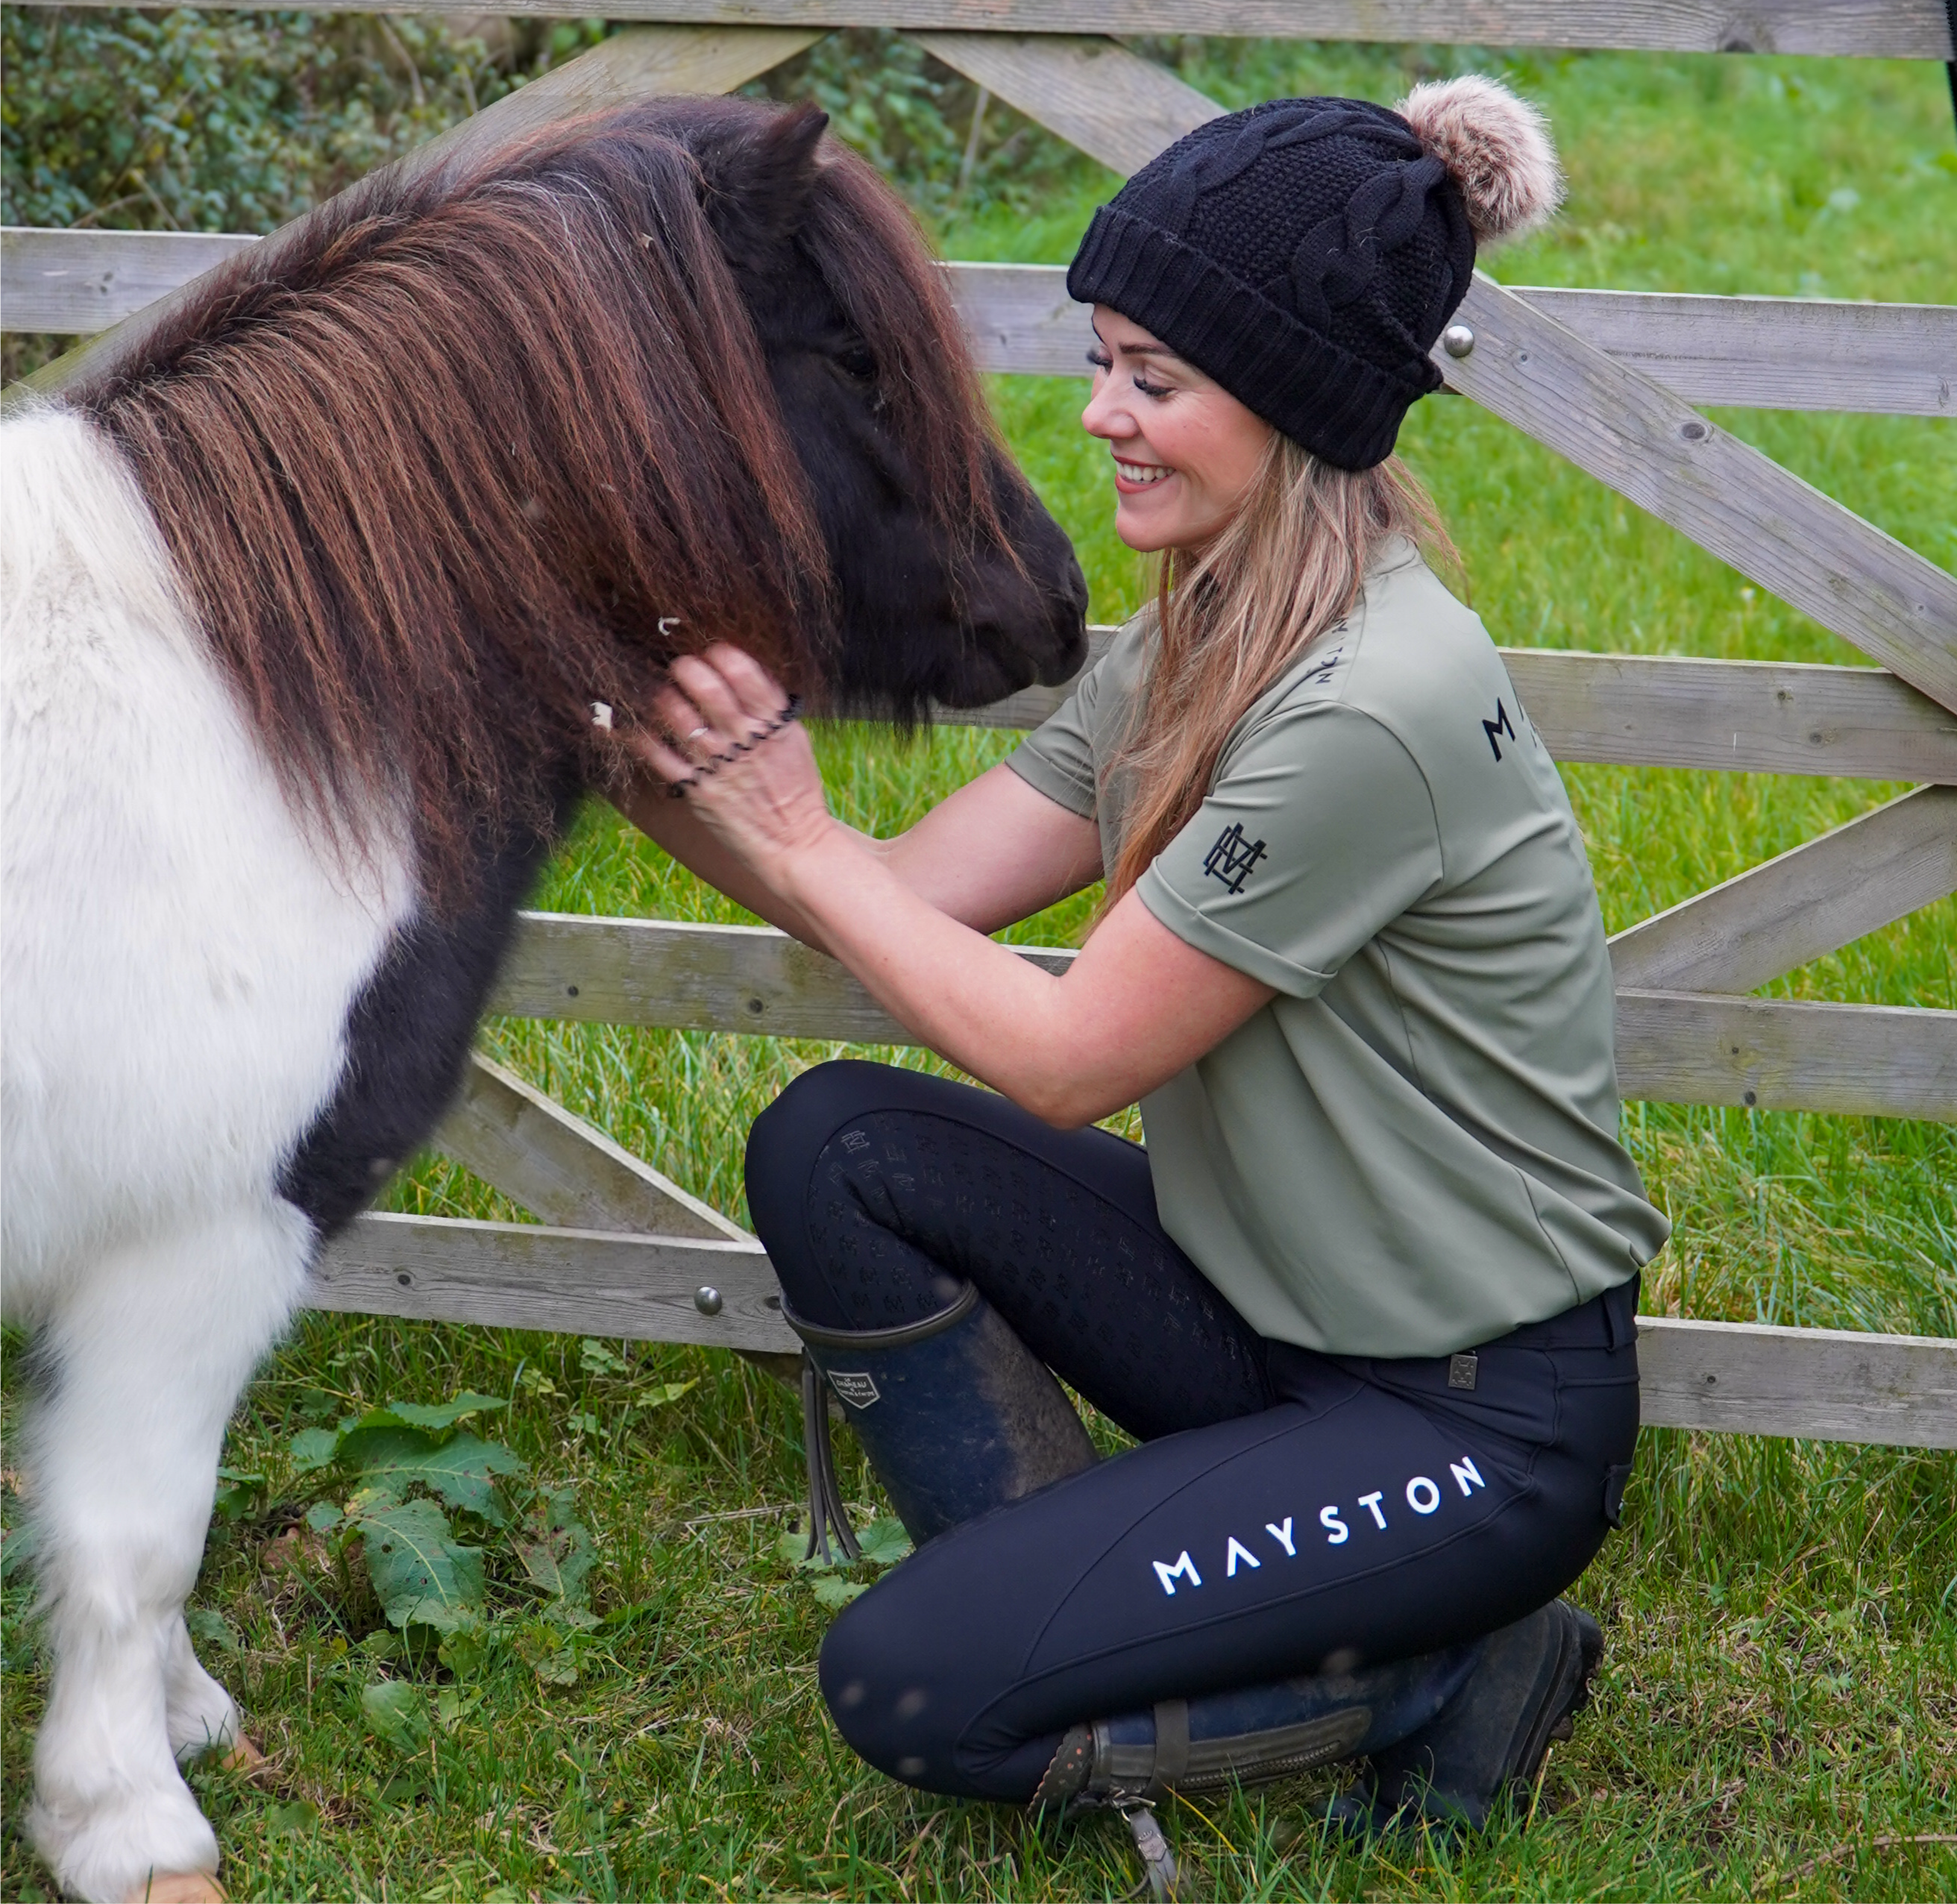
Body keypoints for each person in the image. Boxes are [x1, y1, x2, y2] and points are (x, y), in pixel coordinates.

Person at [618, 73, 1670, 1888]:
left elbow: (1063, 1057)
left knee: (919, 1695)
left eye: (1152, 380)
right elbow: (905, 896)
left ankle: (1450, 1665)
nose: (1095, 415)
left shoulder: (1370, 707)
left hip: (1470, 1418)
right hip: (1272, 1327)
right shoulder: (1205, 621)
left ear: (1297, 402)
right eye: (1103, 361)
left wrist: (784, 835)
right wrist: (653, 759)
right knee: (840, 1141)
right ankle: (1094, 1604)